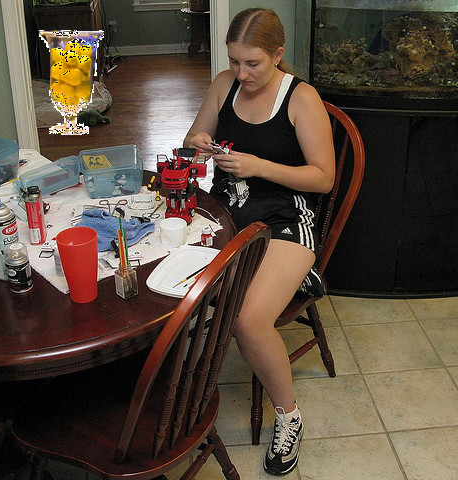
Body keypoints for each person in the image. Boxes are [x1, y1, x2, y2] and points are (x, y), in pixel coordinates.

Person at [184, 7, 335, 476]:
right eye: (234, 61)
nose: (241, 73)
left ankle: (289, 416)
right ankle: (173, 388)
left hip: (285, 218)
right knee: (163, 279)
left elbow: (324, 178)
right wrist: (200, 143)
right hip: (225, 214)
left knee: (247, 321)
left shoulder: (301, 98)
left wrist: (258, 166)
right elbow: (191, 140)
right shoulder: (223, 84)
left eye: (253, 63)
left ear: (277, 54)